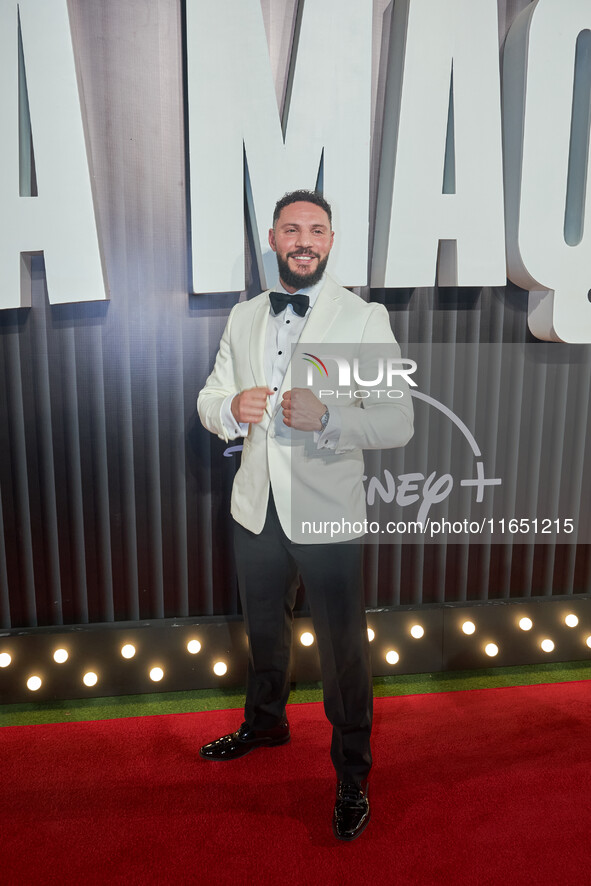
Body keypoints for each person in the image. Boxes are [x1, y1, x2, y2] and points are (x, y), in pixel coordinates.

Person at [197, 189, 413, 841]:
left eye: (315, 229)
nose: (303, 240)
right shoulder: (242, 318)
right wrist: (232, 407)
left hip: (327, 517)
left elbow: (398, 420)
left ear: (329, 239)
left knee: (344, 652)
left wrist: (330, 419)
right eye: (291, 229)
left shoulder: (362, 317)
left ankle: (352, 775)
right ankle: (265, 724)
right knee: (264, 632)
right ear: (272, 238)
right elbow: (208, 397)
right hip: (254, 508)